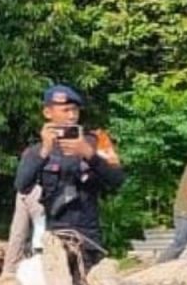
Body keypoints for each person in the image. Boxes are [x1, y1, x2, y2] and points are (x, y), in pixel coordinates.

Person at [14, 85, 125, 273]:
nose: (72, 116)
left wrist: (89, 155)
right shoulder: (36, 150)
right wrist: (44, 153)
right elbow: (22, 186)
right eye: (65, 110)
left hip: (88, 236)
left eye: (75, 110)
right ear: (48, 112)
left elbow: (117, 180)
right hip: (55, 235)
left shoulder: (96, 141)